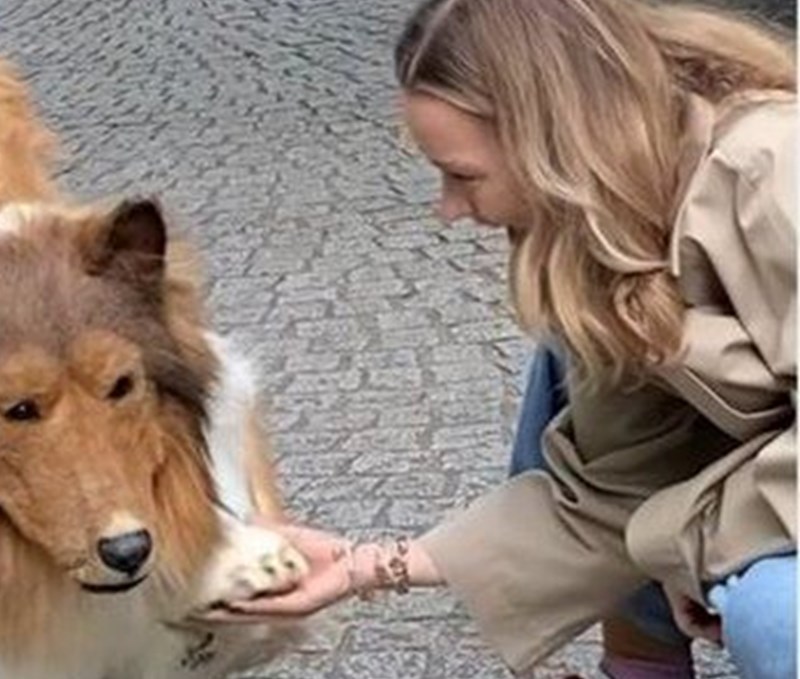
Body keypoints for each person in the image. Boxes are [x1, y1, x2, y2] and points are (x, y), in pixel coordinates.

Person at [197, 1, 797, 678]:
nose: (448, 209)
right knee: (569, 369)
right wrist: (364, 564)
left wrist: (696, 542)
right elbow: (611, 487)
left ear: (551, 140)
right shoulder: (600, 244)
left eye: (463, 175)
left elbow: (653, 510)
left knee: (778, 614)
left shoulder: (772, 172)